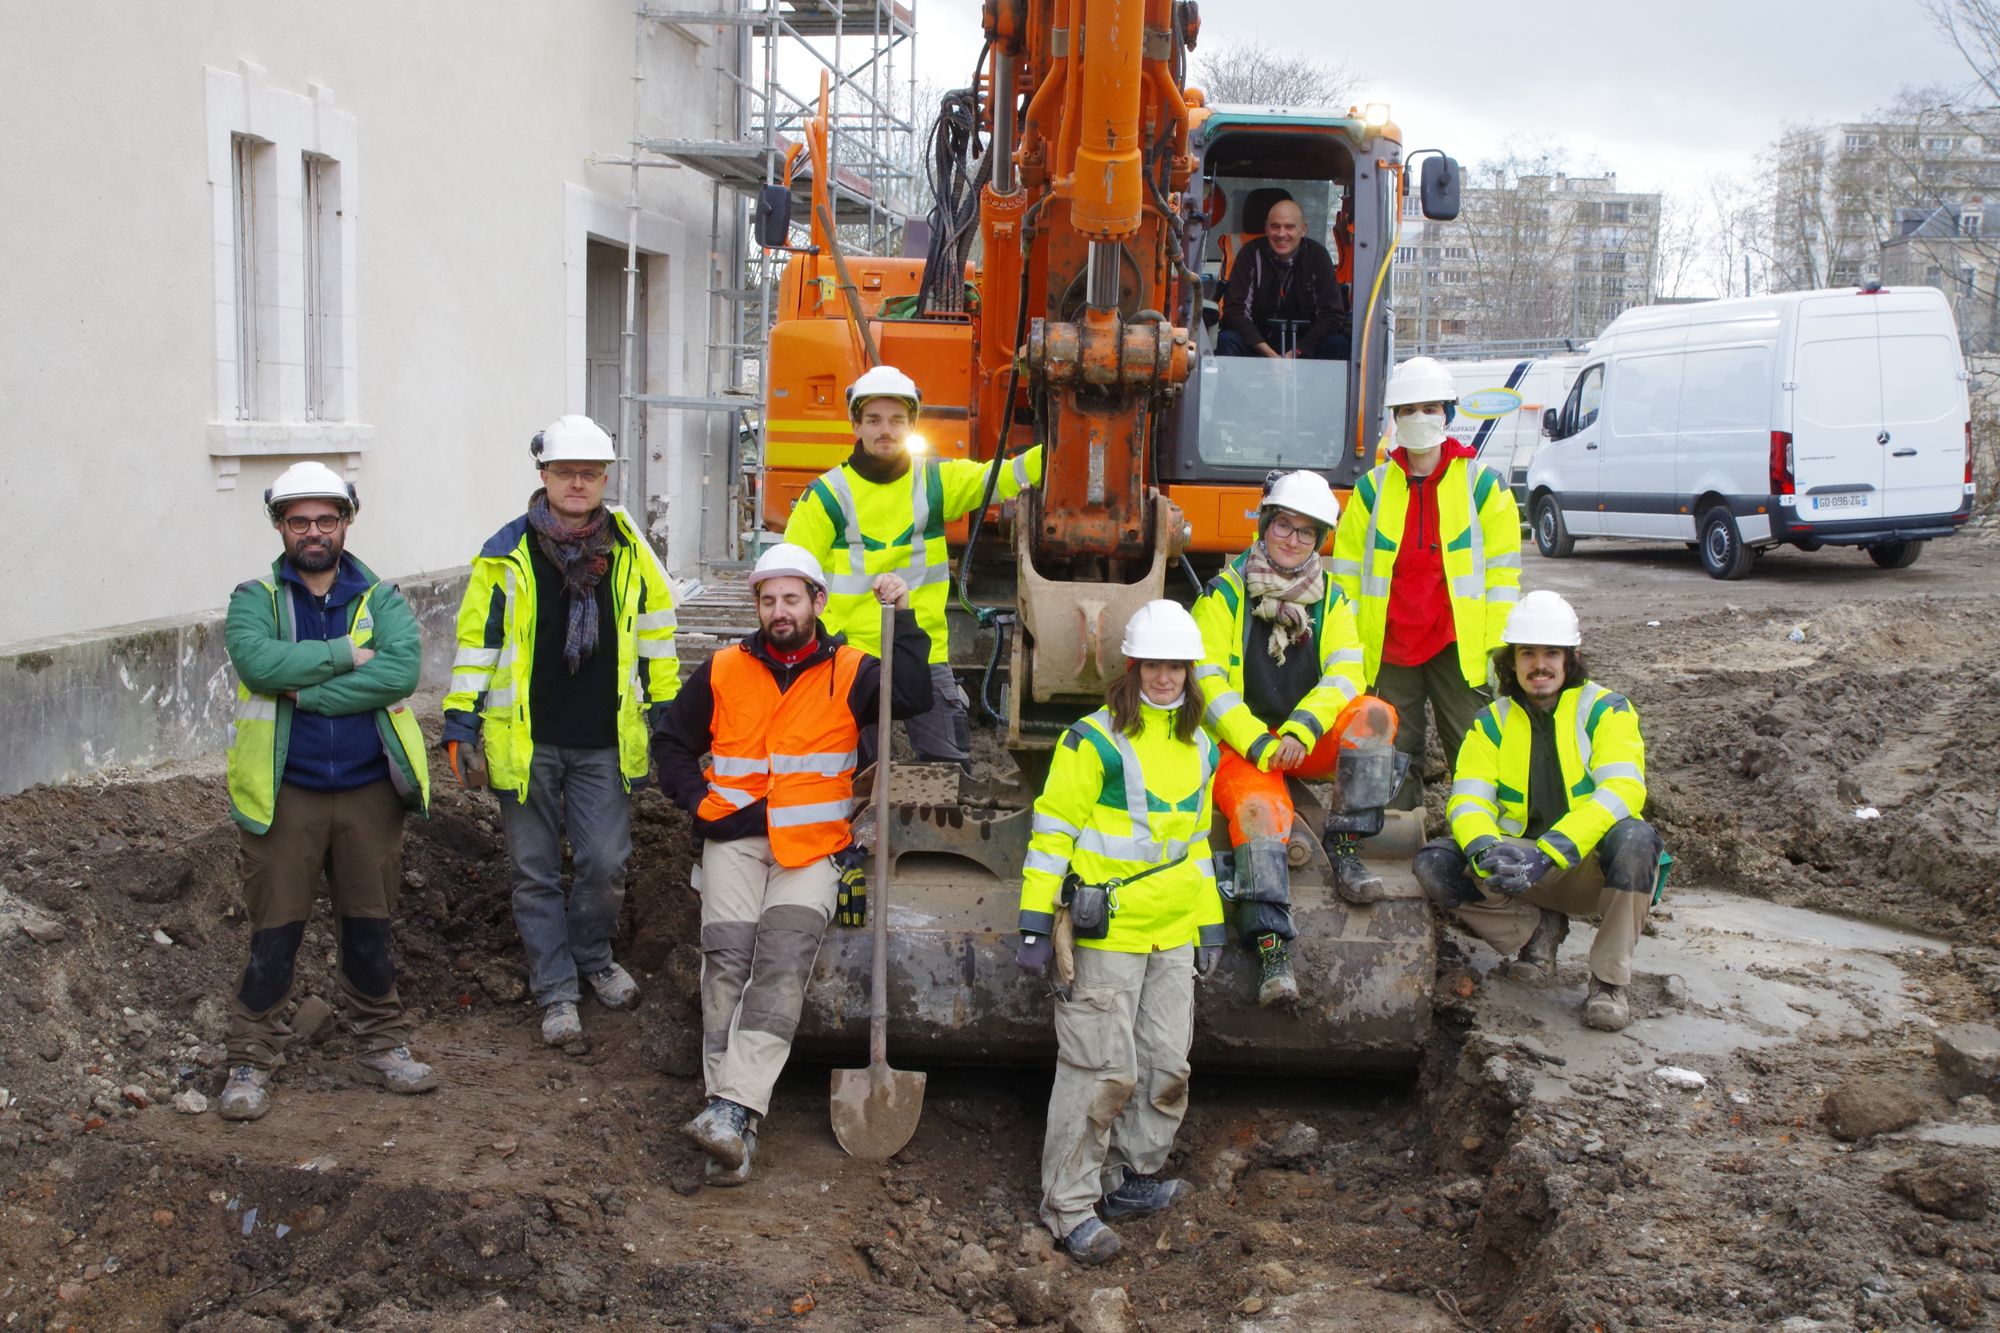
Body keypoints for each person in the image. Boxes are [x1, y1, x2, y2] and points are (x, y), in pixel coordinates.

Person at [654, 543, 933, 1184]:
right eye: (769, 599)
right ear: (758, 605)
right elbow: (671, 741)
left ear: (817, 602)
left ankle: (731, 1111)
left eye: (791, 598)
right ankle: (731, 1118)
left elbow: (914, 694)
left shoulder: (852, 670)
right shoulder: (724, 668)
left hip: (811, 849)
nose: (780, 611)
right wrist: (699, 805)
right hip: (735, 843)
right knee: (725, 964)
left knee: (781, 964)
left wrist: (907, 614)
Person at [441, 415, 680, 1049]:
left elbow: (657, 632)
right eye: (565, 472)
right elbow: (478, 644)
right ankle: (555, 991)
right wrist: (460, 718)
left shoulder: (628, 548)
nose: (577, 483)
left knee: (604, 863)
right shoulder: (505, 553)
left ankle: (593, 957)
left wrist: (666, 708)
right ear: (543, 475)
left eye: (590, 473)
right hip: (526, 740)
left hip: (604, 737)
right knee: (535, 870)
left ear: (604, 477)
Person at [218, 462, 436, 1120]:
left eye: (326, 518)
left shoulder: (382, 598)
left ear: (347, 521)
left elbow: (399, 672)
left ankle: (381, 1039)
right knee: (275, 932)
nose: (314, 531)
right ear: (280, 525)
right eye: (298, 520)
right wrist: (347, 654)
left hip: (370, 792)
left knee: (370, 928)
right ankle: (251, 1053)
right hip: (287, 795)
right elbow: (258, 662)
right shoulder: (255, 597)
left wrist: (304, 689)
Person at [1015, 600, 1225, 1266]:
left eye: (1177, 667)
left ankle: (1128, 1176)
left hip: (1173, 931)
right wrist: (1031, 918)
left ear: (1191, 673)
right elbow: (1053, 832)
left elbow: (1195, 842)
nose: (1166, 677)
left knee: (1166, 1063)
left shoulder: (1200, 745)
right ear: (1132, 667)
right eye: (1155, 665)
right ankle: (1070, 1204)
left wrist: (1210, 921)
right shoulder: (1094, 740)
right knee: (1099, 1068)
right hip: (1108, 933)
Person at [1193, 470, 1401, 1007]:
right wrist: (1259, 743)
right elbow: (1207, 682)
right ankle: (1271, 952)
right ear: (1265, 527)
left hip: (1305, 739)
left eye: (1306, 532)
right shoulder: (1222, 596)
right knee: (1259, 817)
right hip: (1246, 747)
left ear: (1319, 541)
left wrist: (1304, 728)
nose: (1291, 539)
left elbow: (1346, 672)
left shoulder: (1333, 600)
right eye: (1283, 526)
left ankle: (1347, 845)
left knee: (1375, 716)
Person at [1414, 591, 1665, 1032]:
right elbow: (1467, 800)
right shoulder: (1490, 722)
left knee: (1637, 840)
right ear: (1511, 661)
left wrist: (1548, 853)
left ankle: (1608, 982)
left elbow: (1623, 791)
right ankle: (1537, 934)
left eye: (1552, 652)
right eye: (1527, 653)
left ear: (1572, 658)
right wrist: (1484, 848)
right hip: (1520, 867)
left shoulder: (1606, 710)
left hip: (1588, 867)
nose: (1540, 664)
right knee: (1435, 864)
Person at [783, 365, 1043, 771]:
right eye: (873, 420)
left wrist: (1071, 443)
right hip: (850, 657)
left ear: (911, 425)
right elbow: (792, 578)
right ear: (856, 425)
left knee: (949, 770)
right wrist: (826, 646)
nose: (885, 429)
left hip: (922, 653)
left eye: (896, 420)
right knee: (849, 773)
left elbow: (1008, 476)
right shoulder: (827, 496)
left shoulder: (935, 482)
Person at [1331, 355, 1521, 811]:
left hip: (1460, 646)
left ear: (1448, 414)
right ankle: (1397, 838)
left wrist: (1500, 651)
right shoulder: (1372, 491)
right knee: (1393, 753)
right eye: (1409, 409)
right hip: (1390, 647)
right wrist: (1350, 653)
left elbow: (1502, 579)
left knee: (1475, 745)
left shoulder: (1483, 487)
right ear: (1395, 419)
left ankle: (1485, 836)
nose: (1420, 418)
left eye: (1431, 408)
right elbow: (1346, 581)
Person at [1218, 197, 1350, 360]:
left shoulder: (1318, 257)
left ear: (1303, 229)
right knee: (1227, 339)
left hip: (1307, 346)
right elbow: (1235, 312)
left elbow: (1332, 315)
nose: (1281, 234)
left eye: (1289, 227)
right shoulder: (1250, 254)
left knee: (1338, 343)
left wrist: (1297, 352)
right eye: (1275, 226)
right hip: (1258, 344)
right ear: (1266, 228)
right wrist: (1268, 353)